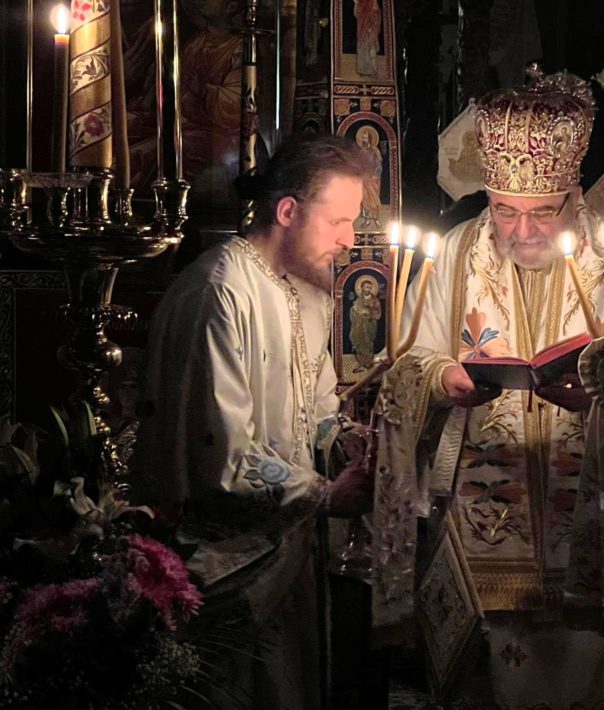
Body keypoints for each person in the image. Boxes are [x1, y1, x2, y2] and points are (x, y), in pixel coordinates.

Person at [371, 74, 604, 709]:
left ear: (575, 196)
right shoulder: (457, 256)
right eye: (504, 211)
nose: (521, 232)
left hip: (591, 526)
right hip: (482, 523)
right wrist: (444, 378)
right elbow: (401, 365)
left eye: (542, 211)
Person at [133, 134, 377, 710]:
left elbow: (316, 412)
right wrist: (324, 494)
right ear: (288, 211)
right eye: (338, 221)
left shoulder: (308, 292)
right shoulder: (219, 293)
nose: (348, 240)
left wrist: (347, 443)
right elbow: (219, 456)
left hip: (286, 559)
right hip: (222, 569)